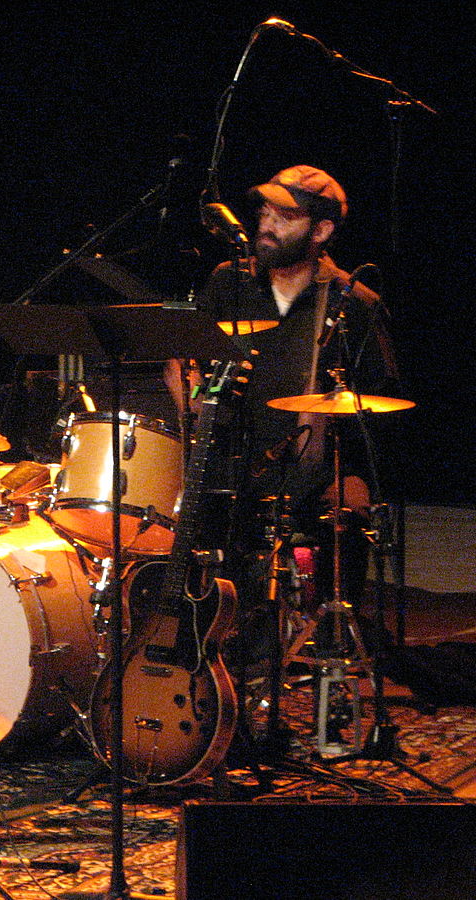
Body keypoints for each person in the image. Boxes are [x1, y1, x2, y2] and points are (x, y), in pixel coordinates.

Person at [185, 166, 400, 663]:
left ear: (321, 231)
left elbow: (379, 411)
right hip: (229, 468)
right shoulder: (227, 283)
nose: (266, 224)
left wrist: (356, 476)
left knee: (345, 514)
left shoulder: (354, 304)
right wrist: (190, 395)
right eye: (264, 211)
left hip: (312, 474)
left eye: (285, 216)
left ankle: (325, 648)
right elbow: (192, 367)